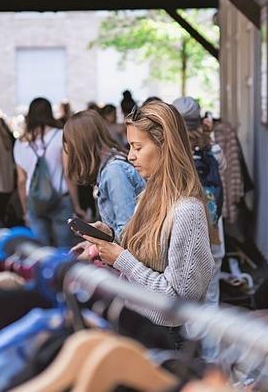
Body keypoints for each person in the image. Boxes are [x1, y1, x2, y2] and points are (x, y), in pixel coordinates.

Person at [82, 100, 214, 336]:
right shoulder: (149, 195)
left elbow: (178, 302)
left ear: (165, 147)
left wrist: (121, 258)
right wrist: (110, 237)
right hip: (139, 327)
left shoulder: (187, 211)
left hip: (168, 342)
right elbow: (148, 255)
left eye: (137, 147)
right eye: (130, 146)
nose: (130, 156)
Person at [63, 110, 144, 258]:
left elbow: (129, 233)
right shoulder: (110, 168)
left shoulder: (114, 172)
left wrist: (92, 251)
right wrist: (92, 243)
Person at [172, 96, 225, 307]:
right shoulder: (212, 150)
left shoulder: (172, 152)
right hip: (212, 228)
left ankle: (190, 339)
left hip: (182, 228)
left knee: (186, 292)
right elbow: (222, 171)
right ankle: (210, 340)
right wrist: (208, 134)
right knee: (211, 292)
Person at [13, 97, 80, 247]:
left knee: (40, 251)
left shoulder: (20, 143)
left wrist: (25, 210)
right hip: (61, 199)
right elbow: (68, 173)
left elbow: (21, 180)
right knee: (65, 249)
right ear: (49, 113)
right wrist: (76, 205)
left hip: (34, 201)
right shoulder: (60, 135)